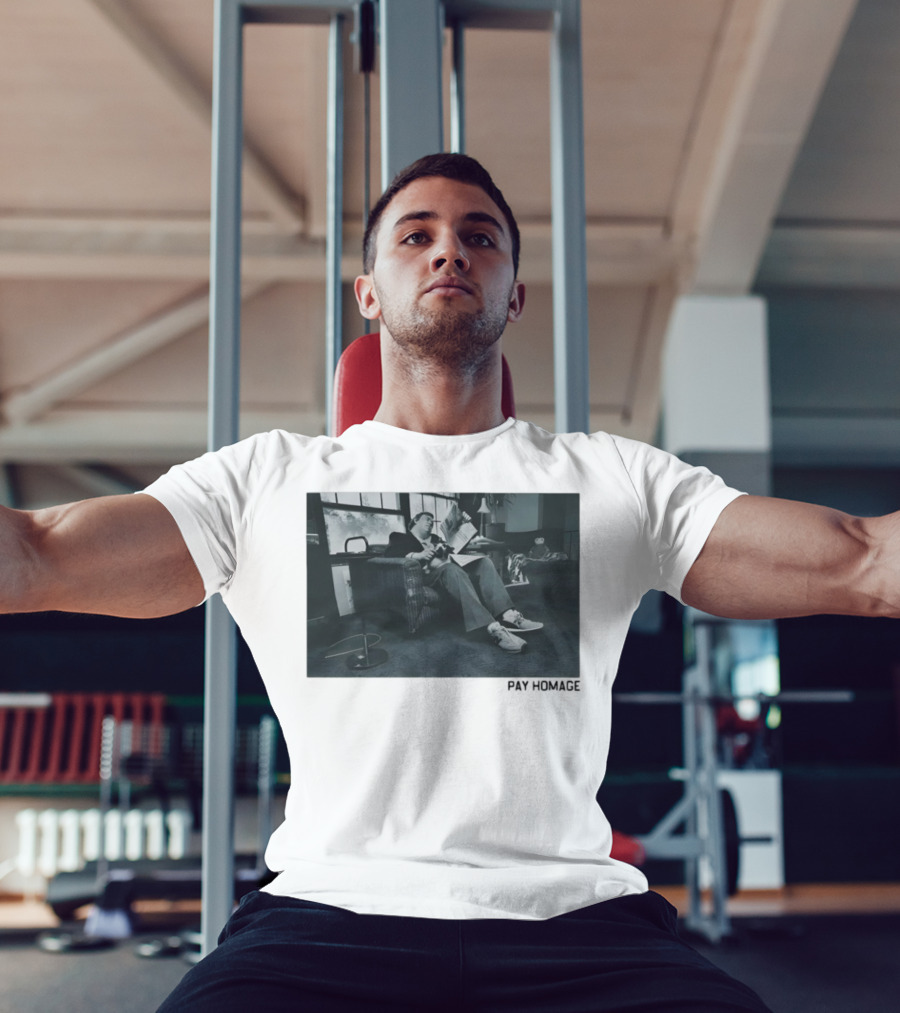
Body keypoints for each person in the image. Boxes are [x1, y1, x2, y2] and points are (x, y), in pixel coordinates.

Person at [3, 152, 899, 1012]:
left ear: (515, 294)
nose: (448, 251)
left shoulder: (614, 479)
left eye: (479, 236)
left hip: (574, 919)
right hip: (326, 913)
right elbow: (40, 553)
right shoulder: (263, 480)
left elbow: (861, 559)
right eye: (416, 235)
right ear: (368, 293)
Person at [384, 509, 543, 652]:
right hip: (428, 576)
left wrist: (462, 528)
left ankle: (508, 615)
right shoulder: (400, 537)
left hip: (449, 567)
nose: (431, 523)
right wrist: (417, 555)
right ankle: (492, 628)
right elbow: (390, 554)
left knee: (484, 561)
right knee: (451, 569)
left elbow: (455, 550)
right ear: (415, 520)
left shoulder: (436, 538)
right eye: (427, 519)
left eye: (432, 521)